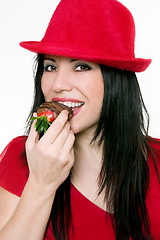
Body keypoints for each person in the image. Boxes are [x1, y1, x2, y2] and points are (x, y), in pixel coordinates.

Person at [0, 0, 160, 239]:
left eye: (82, 66)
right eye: (50, 67)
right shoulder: (20, 158)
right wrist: (42, 182)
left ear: (117, 79)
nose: (58, 85)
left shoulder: (157, 160)